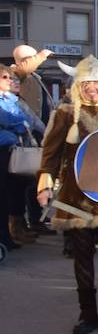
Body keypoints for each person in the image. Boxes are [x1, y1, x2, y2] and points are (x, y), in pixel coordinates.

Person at [37, 55, 98, 334]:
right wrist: (45, 184)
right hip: (76, 199)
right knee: (81, 257)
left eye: (97, 83)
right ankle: (87, 314)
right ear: (77, 86)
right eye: (86, 83)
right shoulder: (65, 114)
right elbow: (51, 153)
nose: (92, 88)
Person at [0, 65, 45, 251]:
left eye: (12, 78)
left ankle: (10, 233)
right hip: (3, 150)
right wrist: (19, 124)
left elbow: (29, 119)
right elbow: (11, 119)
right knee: (5, 195)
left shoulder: (12, 99)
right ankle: (8, 235)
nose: (10, 81)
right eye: (5, 77)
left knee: (14, 192)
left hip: (12, 150)